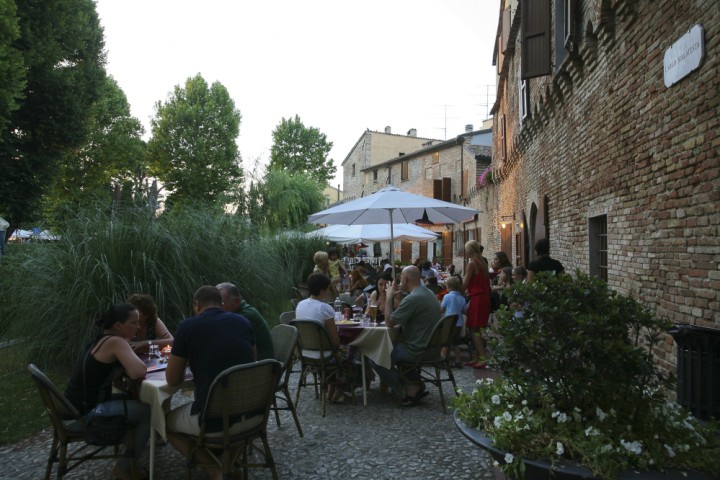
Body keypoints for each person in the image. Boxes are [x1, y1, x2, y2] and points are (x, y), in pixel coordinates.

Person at [165, 286, 256, 480]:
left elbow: (172, 380)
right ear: (221, 304)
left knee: (163, 425)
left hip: (213, 420)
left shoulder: (187, 327)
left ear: (196, 305)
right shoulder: (243, 322)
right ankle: (230, 461)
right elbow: (252, 365)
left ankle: (216, 471)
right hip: (252, 415)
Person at [64, 304, 150, 480]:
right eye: (134, 323)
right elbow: (138, 372)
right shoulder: (116, 342)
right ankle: (124, 467)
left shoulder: (101, 339)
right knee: (148, 412)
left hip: (76, 407)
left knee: (132, 398)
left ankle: (130, 445)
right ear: (118, 325)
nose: (138, 327)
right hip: (88, 413)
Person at [372, 265, 440, 406]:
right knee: (390, 348)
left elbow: (390, 322)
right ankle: (416, 382)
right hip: (433, 347)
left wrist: (389, 297)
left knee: (376, 355)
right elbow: (408, 314)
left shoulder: (413, 298)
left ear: (405, 278)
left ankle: (407, 387)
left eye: (400, 278)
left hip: (417, 350)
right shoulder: (427, 293)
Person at [295, 272, 346, 402]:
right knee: (352, 351)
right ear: (323, 290)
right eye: (329, 288)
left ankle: (330, 385)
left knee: (328, 353)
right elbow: (335, 341)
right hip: (325, 355)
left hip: (306, 354)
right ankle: (339, 389)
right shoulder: (326, 308)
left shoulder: (300, 305)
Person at [216, 282, 275, 361]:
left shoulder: (245, 316)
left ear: (237, 301)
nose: (216, 307)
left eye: (221, 303)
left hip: (261, 367)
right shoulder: (242, 312)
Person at [461, 240, 491, 369]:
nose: (465, 253)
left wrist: (456, 293)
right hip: (484, 297)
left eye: (466, 250)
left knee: (474, 329)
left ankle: (483, 357)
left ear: (470, 251)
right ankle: (478, 356)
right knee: (476, 329)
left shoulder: (472, 263)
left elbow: (466, 283)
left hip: (477, 298)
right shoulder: (483, 262)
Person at [440, 276, 467, 369]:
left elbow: (442, 309)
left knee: (446, 342)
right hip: (459, 323)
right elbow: (465, 311)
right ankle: (458, 361)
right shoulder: (461, 298)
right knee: (456, 343)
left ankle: (442, 360)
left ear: (449, 287)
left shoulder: (447, 297)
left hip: (449, 323)